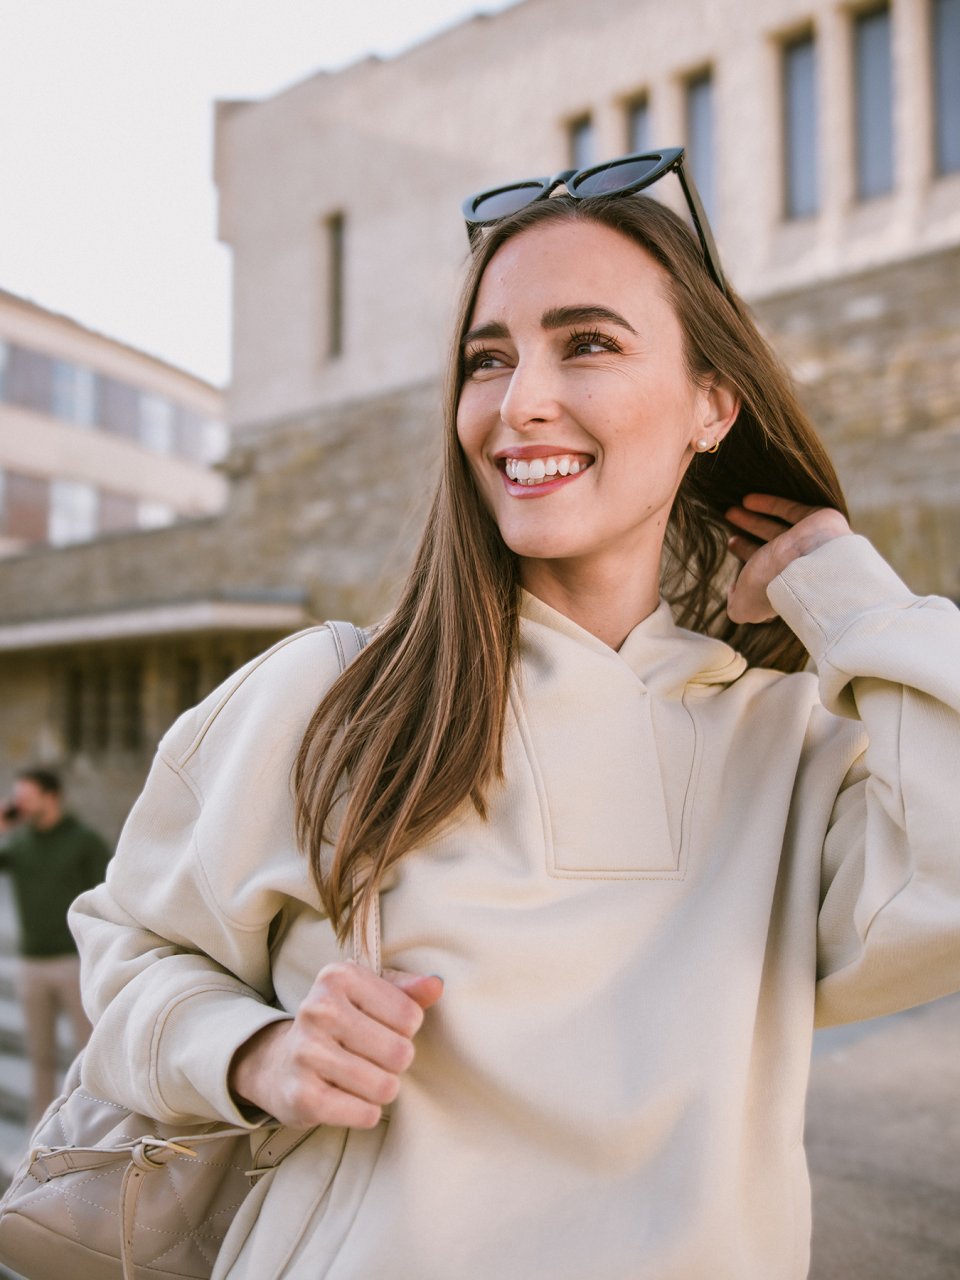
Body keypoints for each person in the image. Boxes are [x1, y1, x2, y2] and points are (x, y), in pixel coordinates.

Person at [69, 149, 960, 1279]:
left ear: (711, 404)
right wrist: (253, 1049)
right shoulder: (331, 697)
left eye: (586, 342)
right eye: (488, 359)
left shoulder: (791, 745)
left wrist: (836, 581)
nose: (519, 399)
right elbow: (129, 943)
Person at [0, 768, 110, 1123]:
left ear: (52, 797)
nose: (21, 804)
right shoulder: (18, 843)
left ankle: (93, 1125)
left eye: (27, 796)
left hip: (73, 961)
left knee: (89, 1052)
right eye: (19, 798)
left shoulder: (84, 841)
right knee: (40, 1056)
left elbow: (106, 896)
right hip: (31, 964)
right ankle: (41, 1131)